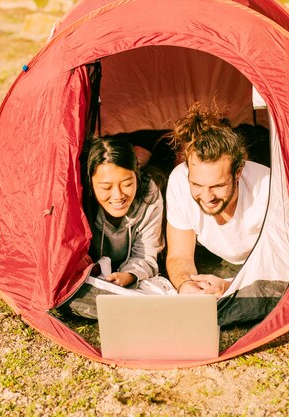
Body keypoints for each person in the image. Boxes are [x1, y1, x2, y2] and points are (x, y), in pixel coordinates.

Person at [165, 103, 270, 297]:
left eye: (218, 186)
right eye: (197, 185)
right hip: (218, 261)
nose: (206, 197)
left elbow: (283, 260)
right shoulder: (178, 180)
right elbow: (179, 255)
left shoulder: (267, 187)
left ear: (238, 172)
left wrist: (230, 286)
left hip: (262, 262)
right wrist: (186, 284)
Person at [62, 136, 169, 318]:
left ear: (137, 174)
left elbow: (147, 252)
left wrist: (130, 274)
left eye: (127, 184)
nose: (118, 195)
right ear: (90, 184)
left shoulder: (149, 195)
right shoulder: (78, 202)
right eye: (106, 187)